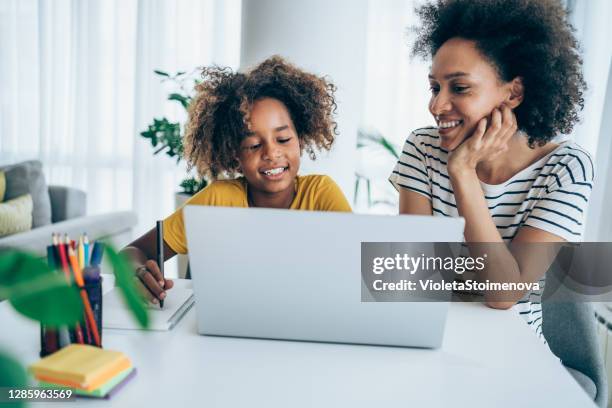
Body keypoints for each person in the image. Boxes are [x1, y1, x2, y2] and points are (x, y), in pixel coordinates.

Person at [389, 0, 592, 336]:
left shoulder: (566, 168)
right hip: (429, 335)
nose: (436, 105)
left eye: (460, 87)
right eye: (434, 87)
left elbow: (503, 293)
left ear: (514, 93)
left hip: (512, 351)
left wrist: (463, 173)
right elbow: (415, 280)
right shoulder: (423, 148)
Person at [122, 56, 351, 303]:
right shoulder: (218, 199)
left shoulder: (320, 193)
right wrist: (138, 272)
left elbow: (360, 265)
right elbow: (132, 252)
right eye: (253, 145)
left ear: (301, 140)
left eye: (283, 140)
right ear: (235, 154)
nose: (271, 154)